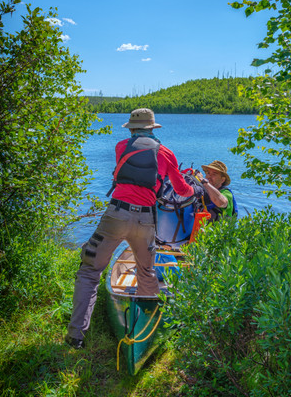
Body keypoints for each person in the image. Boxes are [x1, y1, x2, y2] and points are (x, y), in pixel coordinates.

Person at [65, 108, 202, 349]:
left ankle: (75, 336)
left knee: (90, 270)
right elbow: (181, 190)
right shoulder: (167, 153)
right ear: (152, 128)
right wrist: (196, 188)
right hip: (145, 220)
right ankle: (145, 333)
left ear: (131, 129)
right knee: (146, 272)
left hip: (115, 215)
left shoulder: (121, 147)